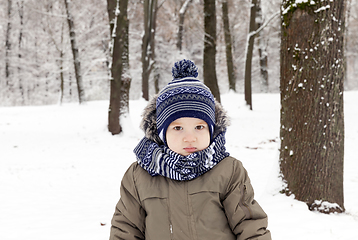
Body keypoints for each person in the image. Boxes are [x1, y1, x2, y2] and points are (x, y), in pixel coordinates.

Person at [109, 59, 271, 240]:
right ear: (161, 133)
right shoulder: (138, 177)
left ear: (211, 129)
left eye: (199, 127)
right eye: (178, 128)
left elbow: (250, 226)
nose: (190, 137)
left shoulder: (229, 171)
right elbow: (125, 230)